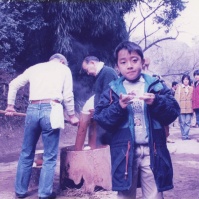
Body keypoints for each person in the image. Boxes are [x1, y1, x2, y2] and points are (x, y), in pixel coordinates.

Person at [94, 41, 180, 199]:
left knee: (154, 195)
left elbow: (173, 112)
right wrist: (119, 106)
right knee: (125, 195)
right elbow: (101, 118)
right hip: (123, 153)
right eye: (123, 62)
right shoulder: (112, 90)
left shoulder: (156, 86)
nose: (130, 65)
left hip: (153, 151)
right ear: (117, 67)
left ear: (143, 62)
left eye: (134, 60)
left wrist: (156, 102)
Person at [5, 53, 79, 199]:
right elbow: (68, 95)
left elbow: (13, 84)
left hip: (32, 110)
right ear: (62, 62)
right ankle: (44, 194)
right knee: (50, 156)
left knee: (26, 153)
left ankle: (20, 192)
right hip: (52, 109)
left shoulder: (34, 68)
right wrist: (71, 116)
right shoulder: (64, 69)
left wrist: (10, 106)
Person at [81, 56, 118, 146]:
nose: (88, 73)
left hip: (108, 119)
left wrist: (98, 111)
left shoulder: (107, 72)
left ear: (92, 63)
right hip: (102, 118)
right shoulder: (100, 75)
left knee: (105, 146)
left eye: (87, 70)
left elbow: (109, 97)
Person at [174, 74, 193, 140]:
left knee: (188, 122)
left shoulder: (191, 88)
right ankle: (184, 135)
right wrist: (177, 107)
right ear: (182, 80)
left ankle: (185, 136)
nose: (186, 81)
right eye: (185, 79)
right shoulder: (179, 88)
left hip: (189, 108)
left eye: (187, 79)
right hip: (181, 108)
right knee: (182, 122)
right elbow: (176, 98)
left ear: (189, 80)